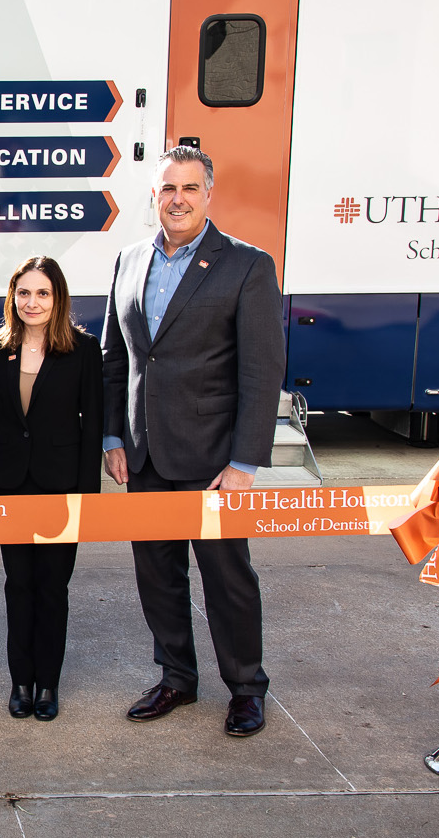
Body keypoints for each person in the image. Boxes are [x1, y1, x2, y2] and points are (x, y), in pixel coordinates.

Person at [100, 145, 284, 738]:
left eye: (188, 189)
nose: (176, 199)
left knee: (227, 577)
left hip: (212, 460)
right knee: (157, 574)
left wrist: (245, 462)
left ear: (208, 194)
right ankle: (176, 676)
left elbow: (261, 372)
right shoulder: (129, 259)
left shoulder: (247, 266)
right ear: (152, 196)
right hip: (145, 452)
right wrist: (112, 436)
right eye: (166, 189)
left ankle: (247, 688)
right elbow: (114, 360)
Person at [0, 256, 102, 722]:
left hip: (60, 487)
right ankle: (20, 683)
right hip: (9, 486)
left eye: (42, 293)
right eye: (24, 293)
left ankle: (48, 683)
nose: (32, 302)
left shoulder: (83, 349)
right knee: (18, 585)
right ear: (13, 298)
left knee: (52, 588)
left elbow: (93, 428)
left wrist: (87, 495)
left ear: (58, 298)